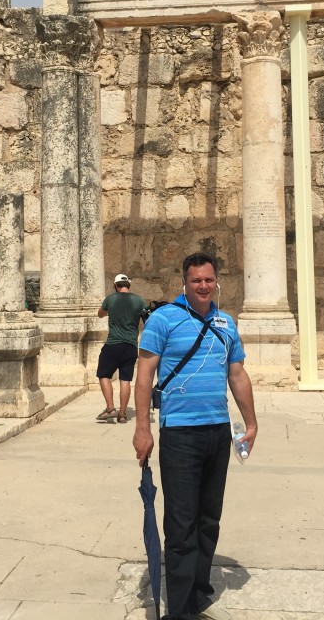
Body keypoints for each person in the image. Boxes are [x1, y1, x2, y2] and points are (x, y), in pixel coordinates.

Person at [133, 252, 256, 620]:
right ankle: (182, 610)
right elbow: (144, 375)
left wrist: (250, 423)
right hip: (179, 434)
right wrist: (143, 428)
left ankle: (199, 589)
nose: (203, 286)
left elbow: (237, 374)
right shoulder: (163, 319)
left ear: (217, 281)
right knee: (181, 524)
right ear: (183, 283)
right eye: (196, 280)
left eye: (208, 279)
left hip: (217, 432)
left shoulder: (226, 322)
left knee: (208, 519)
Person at [97, 273, 148, 424]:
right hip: (131, 346)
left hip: (113, 344)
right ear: (128, 285)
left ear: (115, 286)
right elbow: (147, 319)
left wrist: (108, 310)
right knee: (125, 380)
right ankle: (123, 414)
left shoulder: (110, 299)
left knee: (104, 374)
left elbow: (100, 314)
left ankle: (111, 407)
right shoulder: (139, 300)